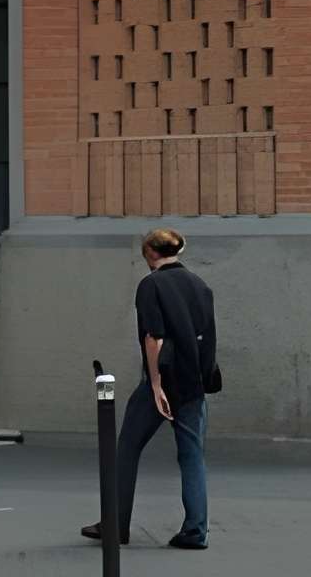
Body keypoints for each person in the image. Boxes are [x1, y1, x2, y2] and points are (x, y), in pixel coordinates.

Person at [83, 226, 218, 550]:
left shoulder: (151, 284)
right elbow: (208, 337)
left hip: (164, 380)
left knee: (127, 447)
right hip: (194, 382)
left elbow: (153, 336)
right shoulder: (200, 285)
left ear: (150, 253)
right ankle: (196, 531)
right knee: (192, 456)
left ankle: (116, 526)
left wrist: (156, 384)